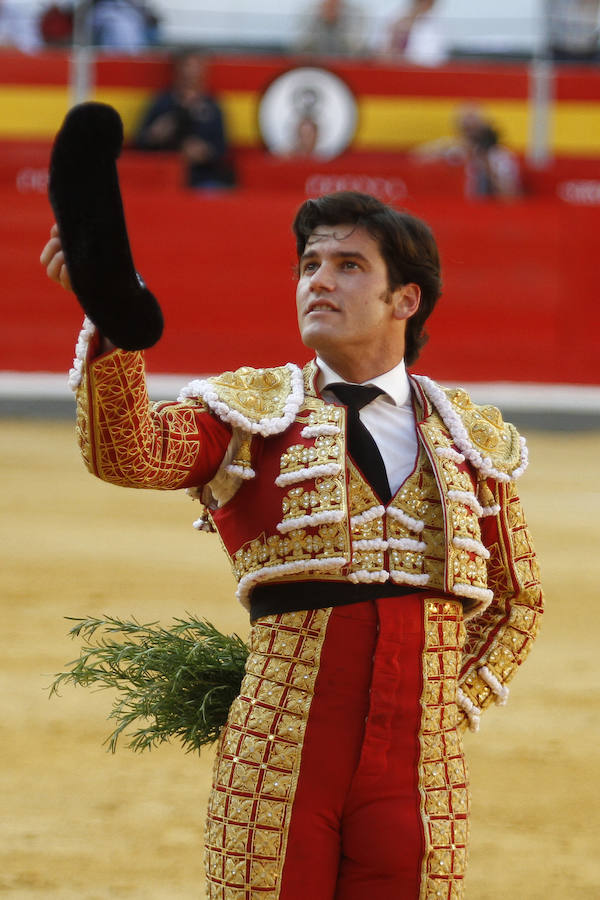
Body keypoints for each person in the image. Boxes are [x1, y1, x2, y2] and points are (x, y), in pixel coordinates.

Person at [41, 190, 543, 898]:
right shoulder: (255, 411)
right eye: (310, 264)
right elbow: (129, 451)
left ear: (405, 299)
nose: (319, 281)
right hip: (280, 756)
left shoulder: (470, 438)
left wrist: (441, 705)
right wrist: (113, 319)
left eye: (347, 265)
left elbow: (518, 599)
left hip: (420, 774)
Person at [133, 51, 234, 190]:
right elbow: (140, 144)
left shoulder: (213, 106)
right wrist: (154, 135)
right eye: (186, 68)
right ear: (177, 71)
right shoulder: (162, 103)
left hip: (203, 178)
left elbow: (223, 149)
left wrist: (204, 152)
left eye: (195, 69)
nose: (190, 74)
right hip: (164, 177)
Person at [295, 0, 367, 56]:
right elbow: (302, 44)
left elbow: (356, 46)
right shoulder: (309, 13)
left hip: (345, 62)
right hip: (316, 65)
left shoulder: (355, 14)